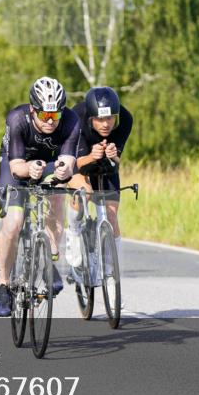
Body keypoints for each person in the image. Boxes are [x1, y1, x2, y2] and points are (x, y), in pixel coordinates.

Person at [0, 76, 88, 317]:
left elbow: (67, 161)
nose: (50, 121)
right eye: (45, 115)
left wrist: (63, 170)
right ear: (33, 110)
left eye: (55, 115)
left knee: (56, 201)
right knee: (13, 224)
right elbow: (16, 167)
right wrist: (29, 169)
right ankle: (3, 284)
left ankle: (48, 259)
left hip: (50, 163)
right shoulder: (17, 119)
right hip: (17, 163)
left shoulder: (71, 121)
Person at [72, 86, 133, 272]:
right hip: (81, 160)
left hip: (106, 164)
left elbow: (117, 162)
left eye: (109, 118)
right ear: (91, 118)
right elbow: (78, 163)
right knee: (84, 193)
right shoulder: (77, 118)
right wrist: (92, 156)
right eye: (100, 119)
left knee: (111, 216)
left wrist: (113, 155)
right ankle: (73, 233)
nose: (106, 124)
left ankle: (112, 273)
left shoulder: (125, 119)